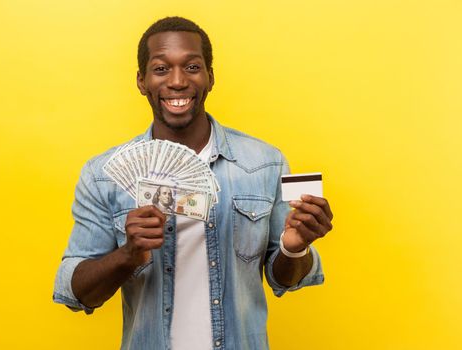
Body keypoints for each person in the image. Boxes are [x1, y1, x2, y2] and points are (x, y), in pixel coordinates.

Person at [53, 16, 334, 350]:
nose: (177, 81)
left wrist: (295, 246)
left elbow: (284, 277)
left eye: (191, 67)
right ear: (141, 81)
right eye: (160, 69)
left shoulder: (264, 164)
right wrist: (127, 255)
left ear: (210, 78)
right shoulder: (103, 174)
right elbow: (75, 293)